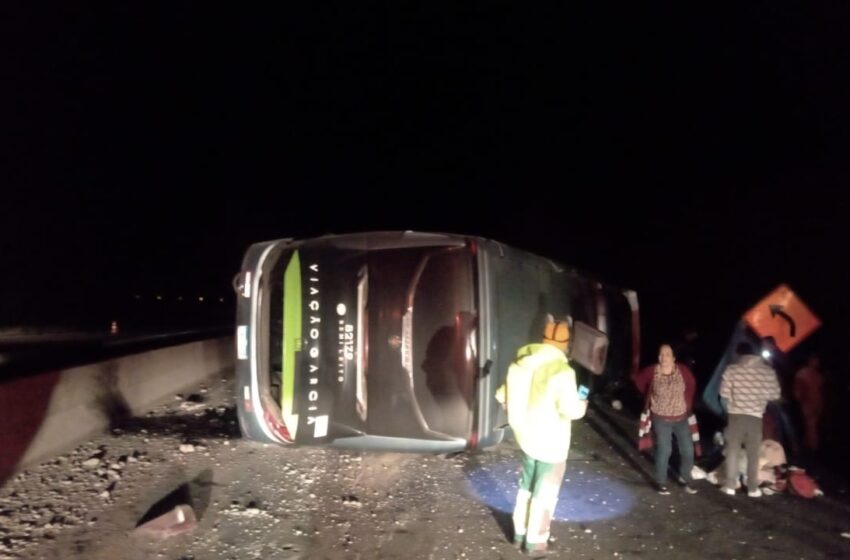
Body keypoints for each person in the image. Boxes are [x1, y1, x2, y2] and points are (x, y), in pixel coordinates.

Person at [494, 315, 587, 555]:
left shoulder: (522, 361)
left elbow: (502, 395)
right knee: (544, 492)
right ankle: (535, 542)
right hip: (551, 444)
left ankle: (519, 534)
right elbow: (571, 410)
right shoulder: (563, 372)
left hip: (526, 438)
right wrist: (583, 402)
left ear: (543, 339)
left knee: (525, 486)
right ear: (566, 344)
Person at [632, 343, 700, 495]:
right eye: (662, 355)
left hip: (681, 417)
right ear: (658, 357)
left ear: (674, 358)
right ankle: (661, 481)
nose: (665, 357)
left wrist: (686, 402)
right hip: (661, 418)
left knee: (688, 449)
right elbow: (639, 382)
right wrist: (650, 398)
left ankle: (686, 477)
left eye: (668, 354)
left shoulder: (683, 371)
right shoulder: (651, 372)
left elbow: (691, 386)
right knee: (665, 449)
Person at [719, 341, 781, 497]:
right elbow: (775, 395)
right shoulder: (768, 371)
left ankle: (731, 486)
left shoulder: (732, 369)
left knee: (733, 450)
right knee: (754, 453)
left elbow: (724, 393)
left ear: (739, 354)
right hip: (756, 416)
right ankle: (753, 488)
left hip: (736, 415)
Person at [792, 353, 825, 454]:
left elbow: (821, 389)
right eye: (815, 361)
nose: (817, 363)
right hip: (807, 402)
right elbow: (798, 389)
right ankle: (813, 447)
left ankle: (808, 445)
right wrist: (801, 398)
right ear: (810, 361)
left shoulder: (818, 375)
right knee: (811, 424)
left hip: (817, 402)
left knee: (811, 425)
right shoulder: (803, 373)